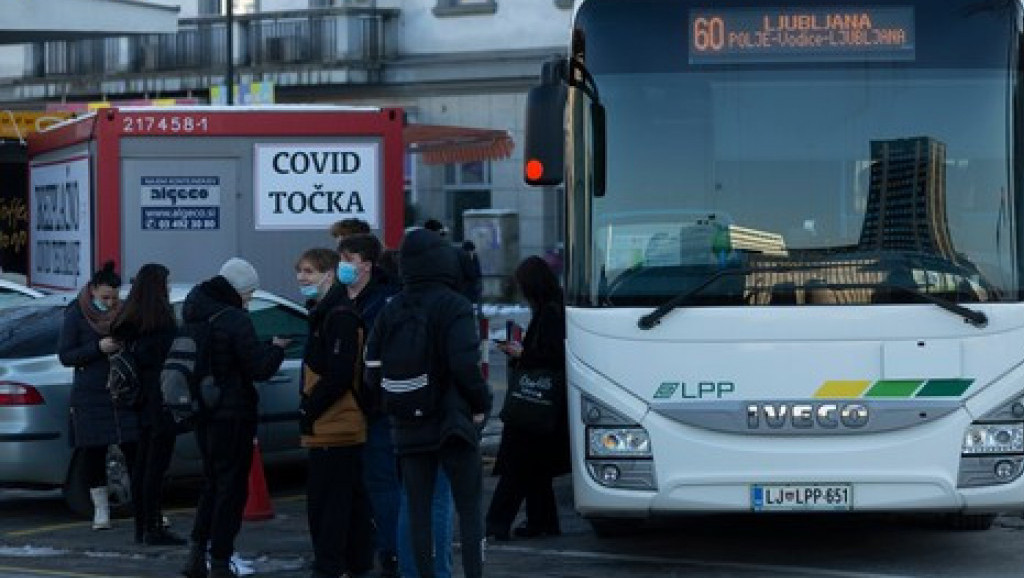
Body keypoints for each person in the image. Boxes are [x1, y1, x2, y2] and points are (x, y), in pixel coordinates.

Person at [365, 227, 492, 578]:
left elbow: (371, 366)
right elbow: (465, 365)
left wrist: (390, 405)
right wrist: (482, 403)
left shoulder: (392, 308)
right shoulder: (454, 305)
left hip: (406, 421)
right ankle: (472, 572)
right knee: (468, 508)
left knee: (416, 507)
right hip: (453, 422)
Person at [181, 258, 289, 578]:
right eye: (249, 293)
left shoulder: (194, 311)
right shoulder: (235, 319)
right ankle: (220, 559)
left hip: (203, 412)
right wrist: (277, 348)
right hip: (233, 415)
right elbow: (258, 368)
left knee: (212, 484)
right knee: (231, 489)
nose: (250, 300)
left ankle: (196, 554)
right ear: (238, 290)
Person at [296, 241, 378, 578]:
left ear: (329, 275)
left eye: (309, 271)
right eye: (299, 271)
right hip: (335, 422)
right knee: (349, 499)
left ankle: (330, 565)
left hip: (336, 423)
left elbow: (340, 373)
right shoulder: (326, 311)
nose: (301, 277)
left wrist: (309, 410)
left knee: (328, 503)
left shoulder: (339, 315)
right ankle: (356, 562)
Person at [486, 255, 569, 541]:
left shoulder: (550, 313)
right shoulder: (552, 308)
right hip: (543, 405)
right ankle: (542, 522)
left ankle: (496, 524)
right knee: (535, 467)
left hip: (535, 400)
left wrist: (522, 353)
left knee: (517, 465)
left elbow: (554, 355)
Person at [58, 260, 137, 532]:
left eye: (114, 298)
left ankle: (146, 509)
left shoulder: (126, 312)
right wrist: (98, 347)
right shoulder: (76, 314)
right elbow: (66, 355)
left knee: (134, 449)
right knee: (94, 452)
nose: (111, 302)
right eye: (105, 297)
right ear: (92, 291)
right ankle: (101, 510)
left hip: (123, 391)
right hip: (91, 394)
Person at [109, 263, 185, 546]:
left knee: (141, 467)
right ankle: (153, 526)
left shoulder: (130, 322)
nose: (169, 288)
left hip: (137, 403)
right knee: (155, 468)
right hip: (161, 402)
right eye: (166, 283)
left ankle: (143, 526)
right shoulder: (161, 325)